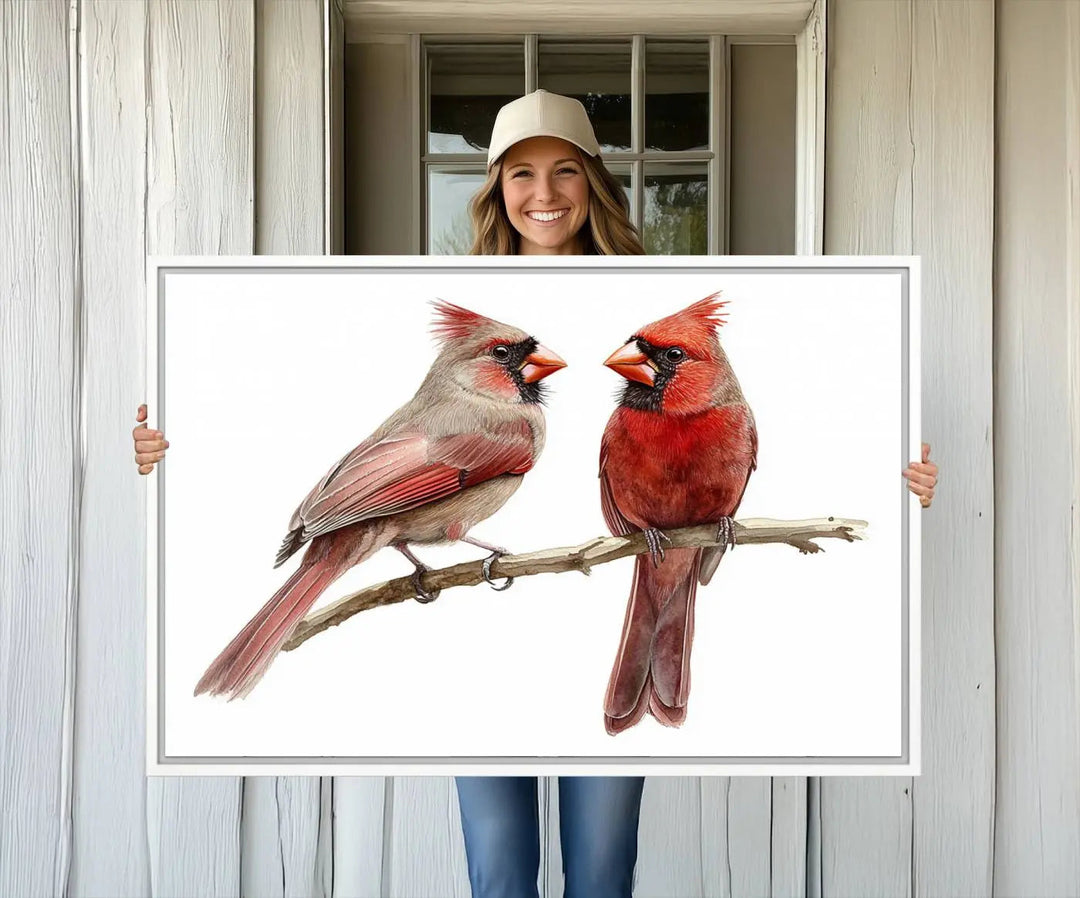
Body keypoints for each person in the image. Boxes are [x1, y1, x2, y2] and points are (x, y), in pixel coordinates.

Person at [131, 89, 939, 898]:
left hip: (552, 606)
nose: (544, 193)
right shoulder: (459, 330)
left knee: (600, 868)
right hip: (484, 674)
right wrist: (169, 452)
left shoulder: (650, 303)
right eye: (521, 173)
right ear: (495, 190)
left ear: (593, 183)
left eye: (564, 172)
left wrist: (896, 479)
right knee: (499, 873)